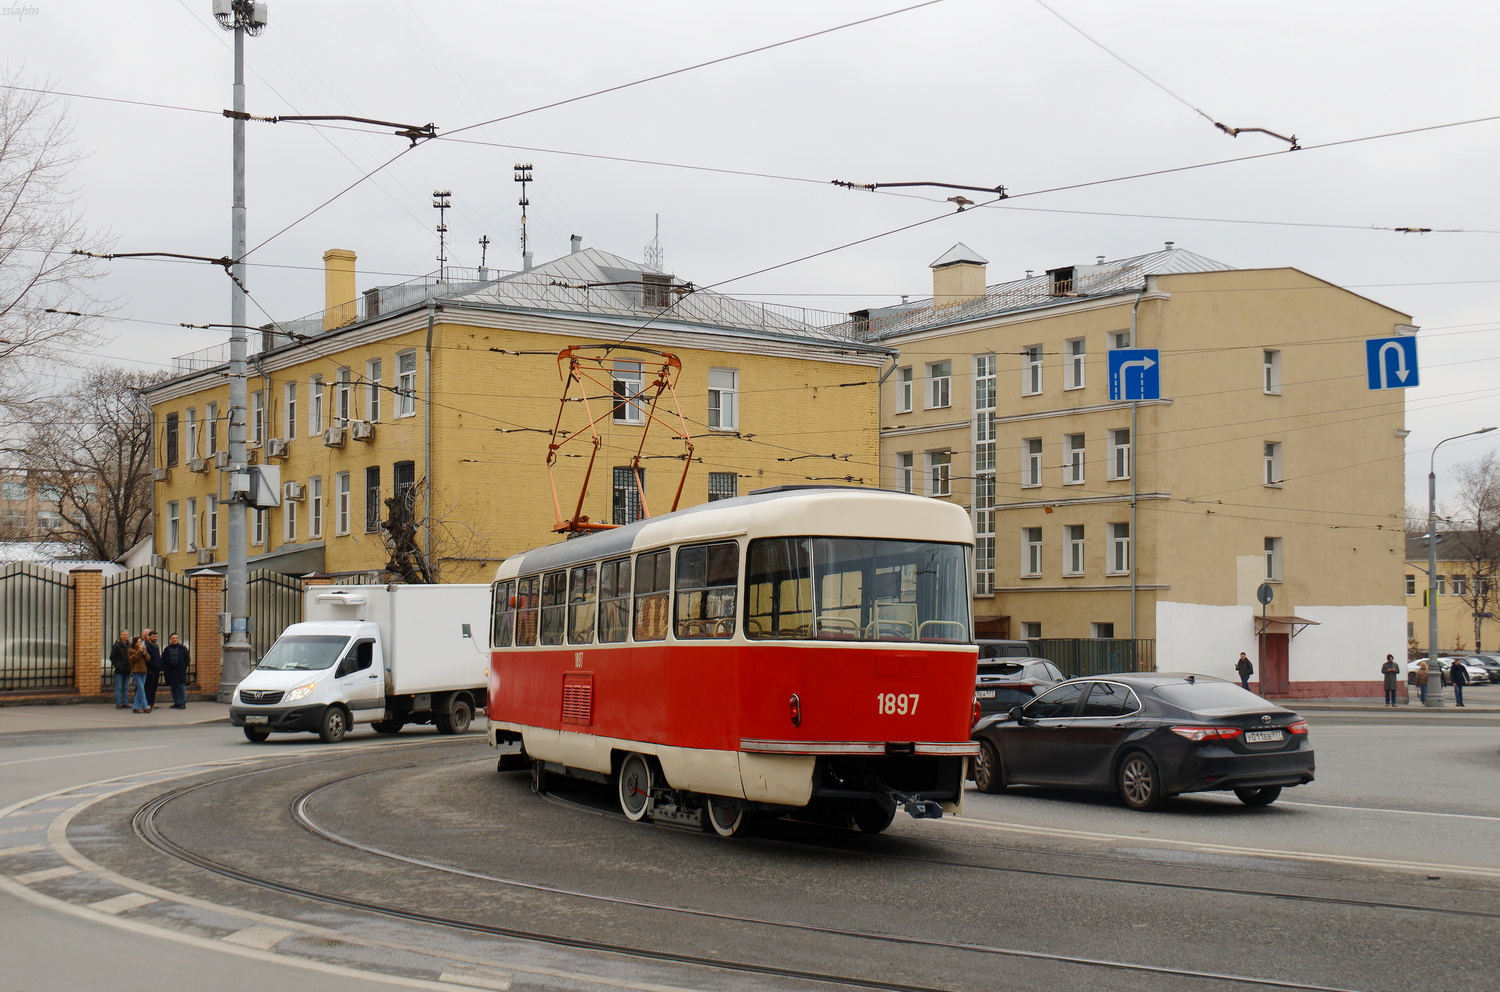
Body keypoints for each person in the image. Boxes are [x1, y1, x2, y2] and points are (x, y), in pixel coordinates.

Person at [161, 633, 191, 710]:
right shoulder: (167, 649)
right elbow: (164, 660)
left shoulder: (183, 648)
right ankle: (177, 702)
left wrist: (183, 666)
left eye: (176, 638)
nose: (175, 639)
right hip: (171, 671)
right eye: (173, 638)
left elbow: (187, 659)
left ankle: (182, 703)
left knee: (181, 687)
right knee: (173, 688)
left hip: (180, 671)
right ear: (170, 639)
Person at [108, 629, 132, 709]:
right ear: (121, 636)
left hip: (127, 669)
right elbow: (112, 657)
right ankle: (118, 703)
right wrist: (117, 665)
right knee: (119, 687)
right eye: (124, 635)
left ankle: (125, 702)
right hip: (119, 670)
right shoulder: (116, 645)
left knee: (125, 687)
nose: (126, 636)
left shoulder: (129, 645)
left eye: (127, 635)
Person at [128, 636, 151, 713]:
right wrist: (139, 651)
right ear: (134, 643)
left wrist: (145, 652)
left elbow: (148, 659)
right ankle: (145, 707)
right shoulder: (131, 650)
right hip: (136, 671)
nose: (139, 643)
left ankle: (135, 707)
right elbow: (134, 659)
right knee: (141, 689)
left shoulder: (142, 650)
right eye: (138, 642)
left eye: (140, 642)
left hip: (144, 671)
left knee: (139, 690)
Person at [142, 629, 163, 710]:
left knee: (154, 687)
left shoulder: (156, 646)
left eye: (156, 636)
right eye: (153, 636)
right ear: (149, 637)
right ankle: (147, 704)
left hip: (156, 670)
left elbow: (158, 657)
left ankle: (152, 703)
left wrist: (160, 665)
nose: (155, 638)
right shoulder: (146, 646)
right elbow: (146, 659)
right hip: (149, 670)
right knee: (148, 688)